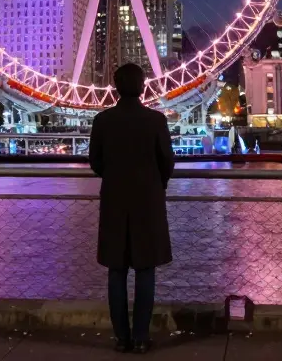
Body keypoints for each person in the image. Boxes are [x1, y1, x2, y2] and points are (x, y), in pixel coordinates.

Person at [88, 63, 175, 354]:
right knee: (145, 269)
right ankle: (140, 337)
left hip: (114, 201)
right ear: (141, 87)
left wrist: (113, 178)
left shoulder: (102, 121)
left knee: (116, 270)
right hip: (147, 203)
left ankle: (121, 338)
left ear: (115, 86)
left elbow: (95, 162)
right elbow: (167, 162)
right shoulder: (155, 121)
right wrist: (155, 184)